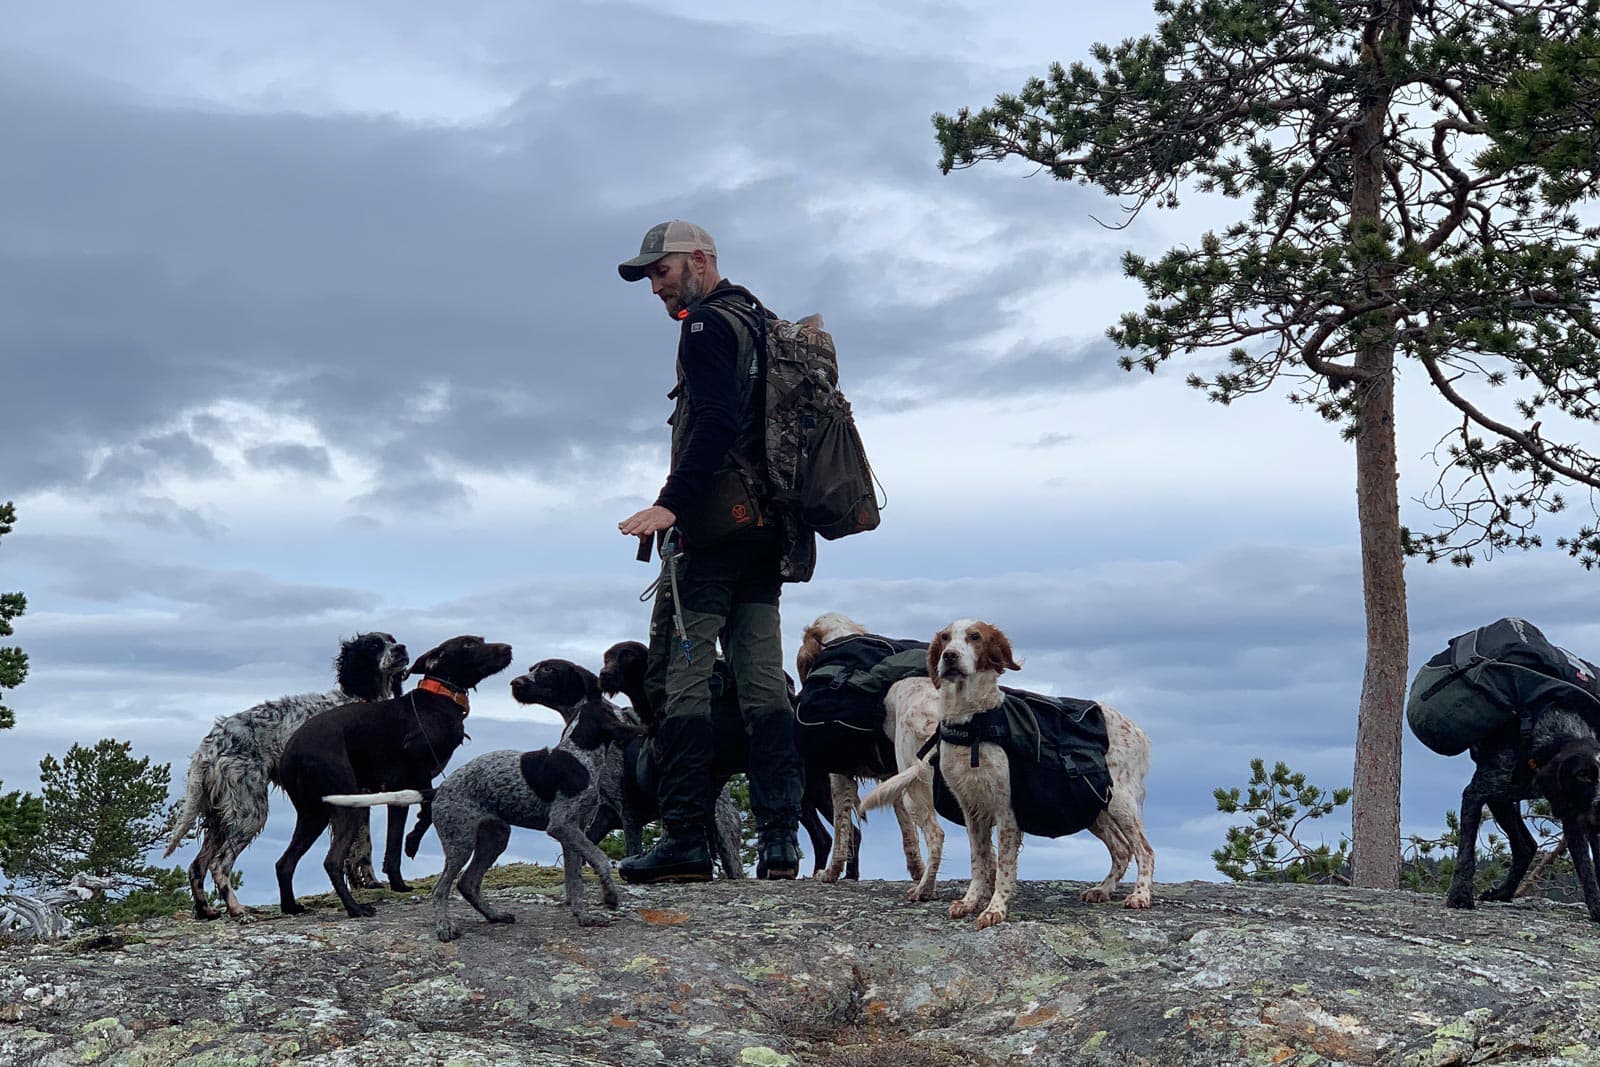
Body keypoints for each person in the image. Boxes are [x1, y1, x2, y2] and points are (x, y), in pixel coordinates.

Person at [615, 220, 803, 883]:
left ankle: (685, 839)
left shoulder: (702, 328)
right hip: (766, 531)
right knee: (762, 685)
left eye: (661, 271)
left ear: (699, 260)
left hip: (715, 533)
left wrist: (671, 501)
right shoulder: (759, 319)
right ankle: (781, 842)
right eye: (649, 277)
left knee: (680, 682)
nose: (656, 286)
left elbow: (717, 419)